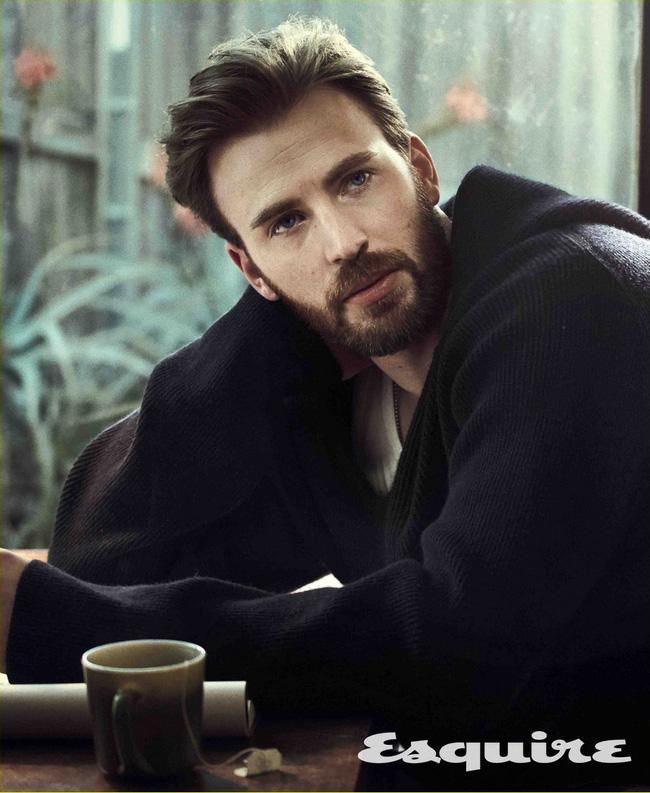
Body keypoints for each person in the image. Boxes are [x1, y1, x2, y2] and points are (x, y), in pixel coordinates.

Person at [2, 17, 649, 791]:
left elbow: (463, 645)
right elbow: (103, 561)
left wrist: (45, 617)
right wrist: (261, 337)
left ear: (420, 167)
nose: (342, 242)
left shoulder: (567, 300)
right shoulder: (332, 394)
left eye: (356, 180)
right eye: (287, 221)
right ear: (250, 269)